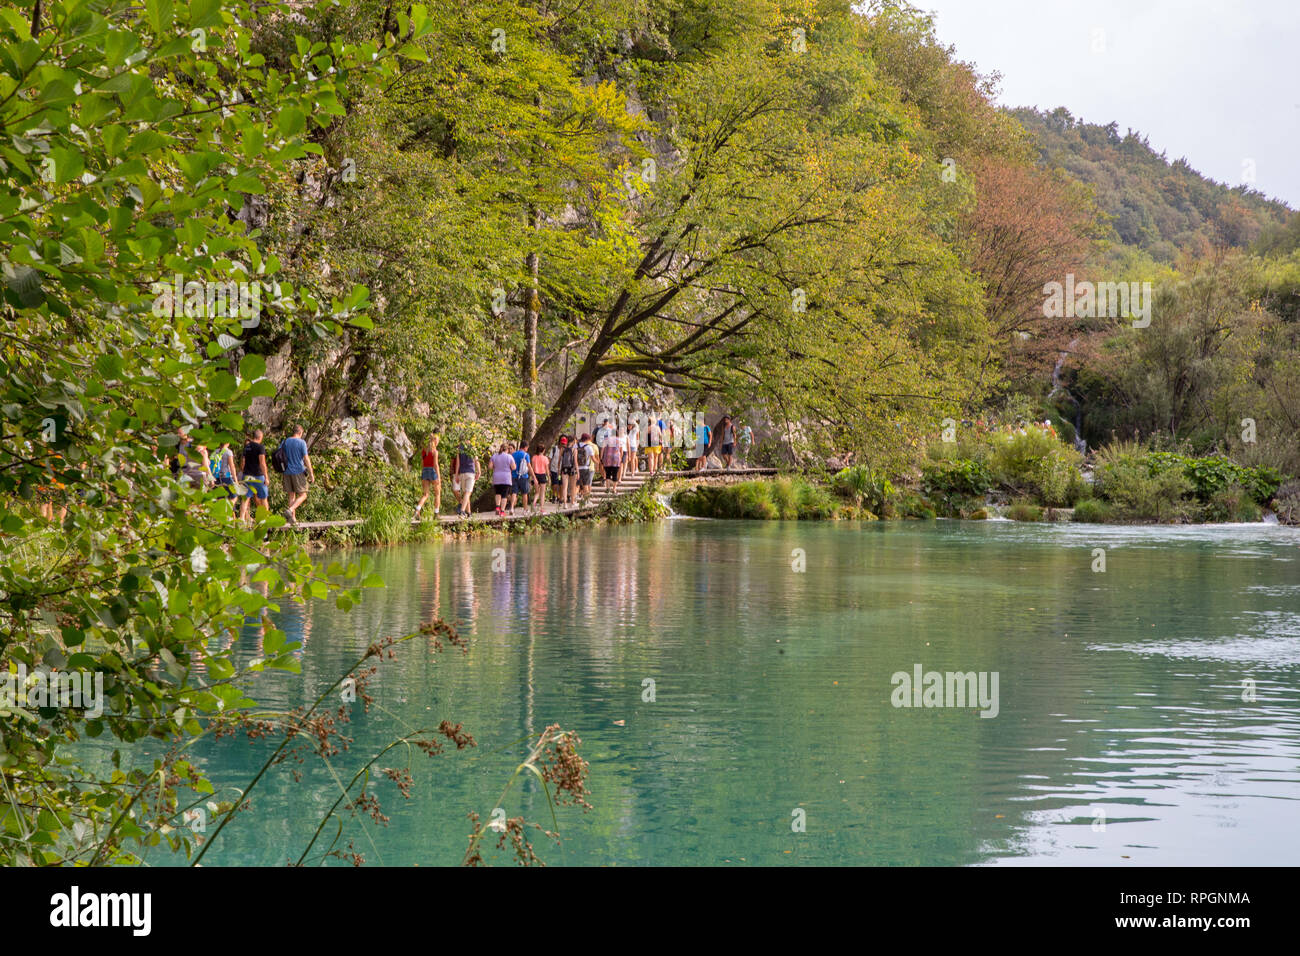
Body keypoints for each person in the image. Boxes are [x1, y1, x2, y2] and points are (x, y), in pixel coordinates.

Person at [281, 424, 313, 527]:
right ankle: (290, 510)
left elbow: (279, 454)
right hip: (298, 471)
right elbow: (306, 459)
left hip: (286, 471)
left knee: (291, 495)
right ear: (300, 433)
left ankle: (293, 520)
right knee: (303, 495)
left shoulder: (285, 442)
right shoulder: (301, 442)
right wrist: (311, 473)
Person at [239, 429, 269, 524]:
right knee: (263, 497)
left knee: (246, 498)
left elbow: (243, 461)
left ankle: (241, 518)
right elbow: (262, 463)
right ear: (260, 437)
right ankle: (265, 518)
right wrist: (266, 477)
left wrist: (243, 471)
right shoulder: (260, 447)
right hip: (258, 476)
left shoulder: (247, 447)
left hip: (247, 475)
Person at [414, 433, 441, 519]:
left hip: (425, 470)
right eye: (437, 441)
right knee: (437, 493)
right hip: (432, 471)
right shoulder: (435, 452)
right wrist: (439, 477)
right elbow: (436, 465)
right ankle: (436, 514)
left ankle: (417, 511)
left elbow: (422, 463)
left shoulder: (424, 451)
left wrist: (423, 472)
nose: (438, 442)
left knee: (425, 494)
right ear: (435, 441)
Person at [451, 441, 477, 518]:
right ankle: (462, 511)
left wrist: (456, 474)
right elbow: (476, 460)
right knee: (468, 493)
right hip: (470, 473)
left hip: (462, 473)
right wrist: (479, 471)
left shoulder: (459, 449)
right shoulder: (473, 448)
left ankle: (469, 513)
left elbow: (458, 463)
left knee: (466, 493)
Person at [490, 443, 515, 517]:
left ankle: (497, 507)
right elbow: (513, 467)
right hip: (506, 478)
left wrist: (496, 466)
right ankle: (502, 511)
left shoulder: (494, 456)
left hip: (496, 478)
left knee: (498, 493)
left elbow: (490, 466)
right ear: (507, 449)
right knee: (504, 495)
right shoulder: (509, 456)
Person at [214, 441, 238, 514]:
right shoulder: (228, 452)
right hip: (226, 477)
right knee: (234, 496)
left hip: (217, 477)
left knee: (220, 498)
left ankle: (220, 514)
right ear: (227, 443)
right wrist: (235, 479)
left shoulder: (216, 451)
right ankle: (227, 509)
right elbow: (232, 466)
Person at [509, 441, 531, 515]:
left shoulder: (513, 454)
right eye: (527, 447)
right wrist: (534, 476)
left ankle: (511, 508)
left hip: (514, 476)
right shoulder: (526, 455)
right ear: (525, 447)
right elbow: (529, 466)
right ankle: (525, 509)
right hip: (523, 476)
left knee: (514, 492)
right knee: (524, 493)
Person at [576, 433, 597, 505]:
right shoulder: (589, 447)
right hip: (585, 468)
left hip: (577, 468)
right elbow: (593, 459)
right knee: (586, 485)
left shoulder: (576, 445)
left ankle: (574, 500)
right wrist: (599, 462)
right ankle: (587, 500)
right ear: (588, 439)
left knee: (577, 485)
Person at [601, 427, 622, 493]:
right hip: (616, 458)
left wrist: (601, 457)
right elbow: (621, 450)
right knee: (615, 474)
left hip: (607, 458)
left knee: (608, 474)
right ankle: (614, 489)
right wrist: (620, 458)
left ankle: (607, 488)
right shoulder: (619, 440)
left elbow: (602, 449)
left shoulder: (606, 439)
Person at [557, 435, 577, 506]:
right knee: (572, 487)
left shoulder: (562, 449)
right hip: (572, 469)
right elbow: (575, 462)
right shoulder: (574, 450)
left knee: (564, 487)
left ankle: (565, 503)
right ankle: (572, 502)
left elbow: (559, 460)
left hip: (564, 469)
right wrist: (578, 471)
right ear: (573, 441)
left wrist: (558, 469)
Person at [530, 443, 550, 512]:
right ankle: (541, 508)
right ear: (543, 450)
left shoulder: (534, 457)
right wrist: (549, 478)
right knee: (542, 493)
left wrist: (532, 477)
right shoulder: (545, 458)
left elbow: (532, 468)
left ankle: (534, 503)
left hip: (535, 475)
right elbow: (547, 470)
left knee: (537, 492)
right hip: (542, 475)